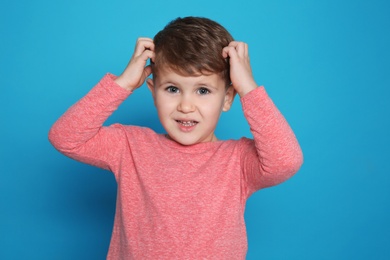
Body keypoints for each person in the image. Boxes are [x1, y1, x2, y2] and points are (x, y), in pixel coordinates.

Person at [49, 16, 303, 259]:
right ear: (152, 91)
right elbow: (65, 137)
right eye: (172, 89)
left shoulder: (237, 161)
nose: (186, 105)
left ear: (227, 98)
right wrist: (123, 83)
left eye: (203, 90)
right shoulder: (130, 146)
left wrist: (249, 88)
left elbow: (286, 161)